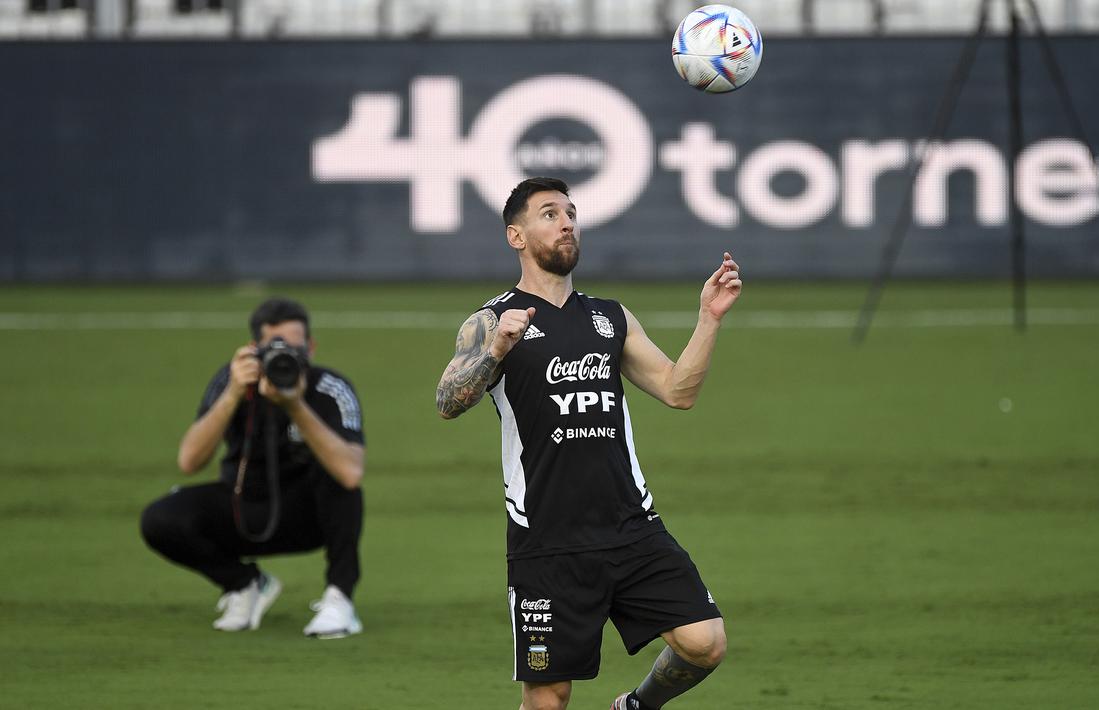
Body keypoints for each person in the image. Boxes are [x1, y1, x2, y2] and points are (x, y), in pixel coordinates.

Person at [436, 177, 742, 710]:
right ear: (516, 235)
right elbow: (448, 400)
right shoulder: (491, 321)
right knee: (549, 695)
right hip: (548, 540)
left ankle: (636, 706)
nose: (567, 222)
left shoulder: (610, 318)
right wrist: (497, 350)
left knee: (704, 643)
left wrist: (707, 320)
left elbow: (678, 391)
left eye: (571, 213)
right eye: (549, 213)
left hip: (630, 526)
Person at [140, 297, 366, 638]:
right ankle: (244, 584)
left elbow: (352, 472)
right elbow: (189, 461)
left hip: (308, 517)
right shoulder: (232, 382)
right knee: (160, 518)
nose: (285, 356)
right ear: (253, 349)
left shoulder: (330, 388)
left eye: (293, 347)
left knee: (340, 482)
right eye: (274, 347)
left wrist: (295, 405)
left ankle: (340, 600)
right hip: (243, 509)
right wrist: (232, 392)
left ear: (311, 347)